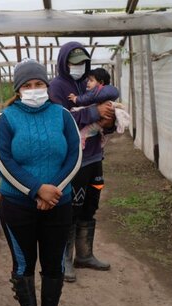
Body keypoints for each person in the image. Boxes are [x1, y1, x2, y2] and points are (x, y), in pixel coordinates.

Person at [0, 59, 82, 306]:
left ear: (47, 85)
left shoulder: (62, 115)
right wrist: (35, 189)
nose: (34, 89)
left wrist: (52, 190)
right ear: (18, 89)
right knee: (23, 265)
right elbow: (3, 160)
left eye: (39, 83)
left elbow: (75, 157)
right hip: (18, 207)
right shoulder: (6, 118)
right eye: (27, 85)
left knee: (55, 265)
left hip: (58, 204)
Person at [49, 42, 120, 283]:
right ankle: (65, 258)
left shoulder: (92, 84)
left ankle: (85, 254)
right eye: (73, 62)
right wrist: (94, 112)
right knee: (72, 207)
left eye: (82, 62)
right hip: (74, 161)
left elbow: (106, 114)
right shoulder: (57, 87)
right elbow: (62, 118)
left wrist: (108, 121)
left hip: (94, 159)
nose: (78, 67)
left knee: (91, 201)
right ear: (63, 62)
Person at [68, 68, 130, 149]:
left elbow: (86, 99)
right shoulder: (106, 92)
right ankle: (100, 139)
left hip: (93, 149)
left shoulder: (97, 92)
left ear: (101, 82)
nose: (88, 83)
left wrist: (76, 98)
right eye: (88, 80)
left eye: (91, 80)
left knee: (86, 132)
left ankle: (83, 140)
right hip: (95, 145)